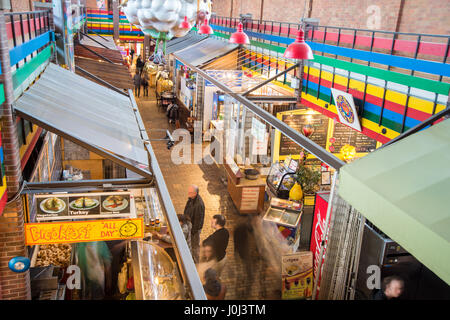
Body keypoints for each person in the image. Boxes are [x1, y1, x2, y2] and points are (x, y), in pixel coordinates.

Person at [183, 185, 205, 263]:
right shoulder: (191, 199)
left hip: (194, 229)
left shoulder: (199, 205)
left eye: (190, 192)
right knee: (191, 244)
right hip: (190, 225)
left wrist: (193, 231)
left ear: (195, 193)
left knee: (195, 246)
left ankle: (196, 262)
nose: (188, 193)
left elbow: (198, 221)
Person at [233, 219, 254, 298]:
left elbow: (236, 242)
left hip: (238, 250)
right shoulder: (244, 228)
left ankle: (241, 277)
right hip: (243, 251)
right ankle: (248, 276)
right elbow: (251, 230)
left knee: (240, 266)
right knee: (247, 265)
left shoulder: (238, 228)